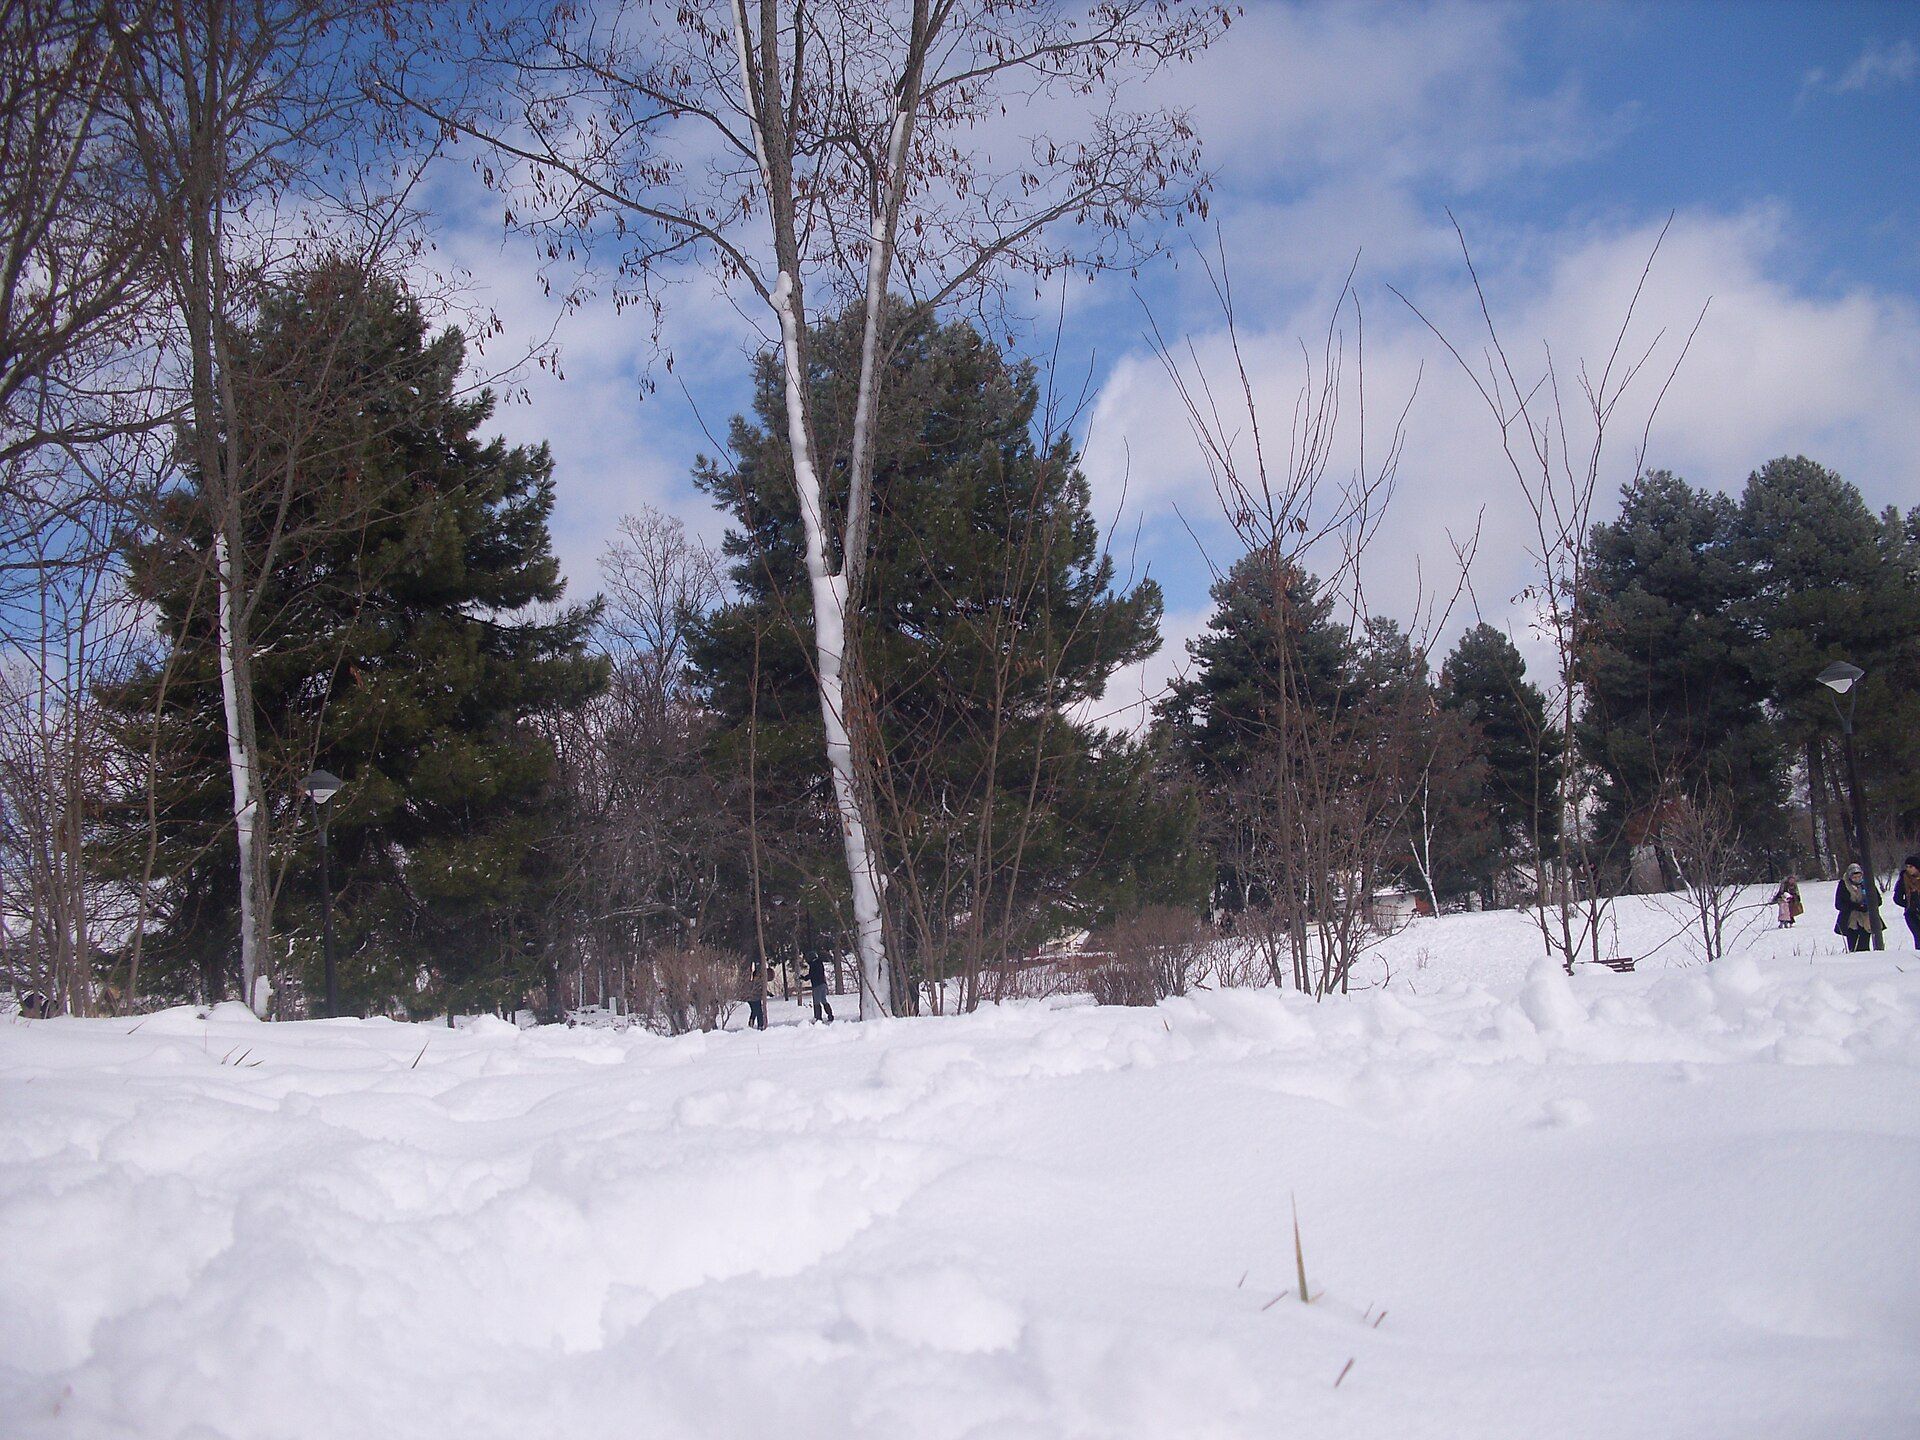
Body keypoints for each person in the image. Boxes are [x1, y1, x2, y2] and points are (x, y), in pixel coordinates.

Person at [1833, 862, 1884, 953]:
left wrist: (1867, 906)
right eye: (1854, 877)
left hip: (1866, 920)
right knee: (1853, 947)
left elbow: (1878, 900)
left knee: (1864, 946)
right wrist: (1857, 907)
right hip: (1850, 921)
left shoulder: (1867, 883)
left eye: (1859, 877)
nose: (1857, 879)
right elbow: (1839, 904)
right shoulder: (1844, 885)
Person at [1893, 855, 1920, 949]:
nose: (1909, 869)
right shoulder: (1903, 879)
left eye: (1911, 867)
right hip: (1911, 913)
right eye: (1907, 866)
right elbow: (1897, 898)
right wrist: (1909, 904)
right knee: (1918, 936)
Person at [804, 945, 834, 1023]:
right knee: (824, 1000)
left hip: (817, 985)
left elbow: (812, 974)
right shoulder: (820, 963)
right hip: (823, 984)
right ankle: (830, 1015)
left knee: (816, 1002)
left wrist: (804, 978)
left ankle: (818, 1018)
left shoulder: (813, 965)